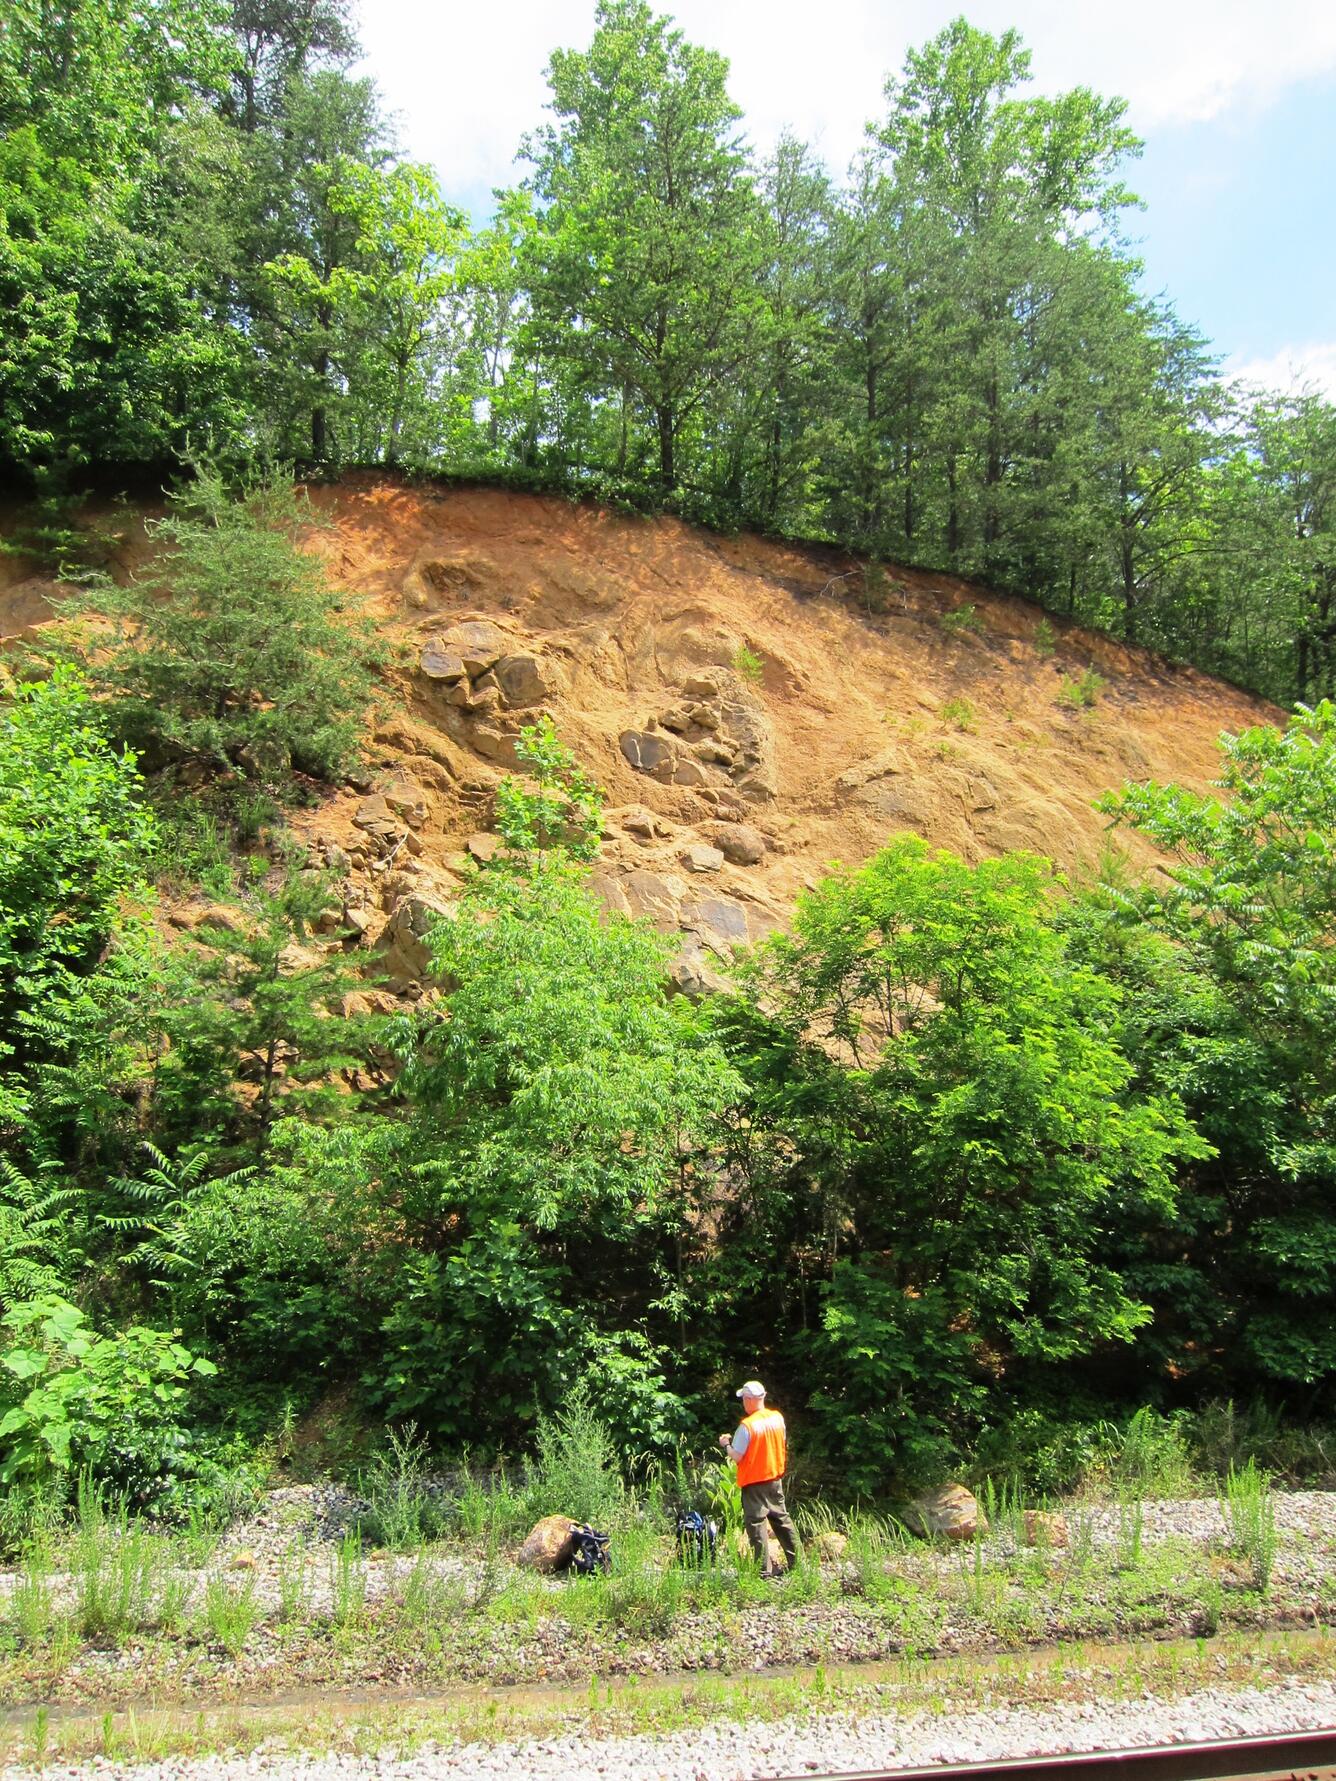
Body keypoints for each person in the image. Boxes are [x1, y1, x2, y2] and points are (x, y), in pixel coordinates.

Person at [718, 1379, 799, 1576]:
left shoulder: (747, 1426)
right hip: (774, 1478)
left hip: (754, 1482)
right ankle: (799, 1564)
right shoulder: (777, 1418)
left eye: (744, 1399)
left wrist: (725, 1444)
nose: (743, 1403)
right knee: (782, 1520)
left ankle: (764, 1572)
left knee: (756, 1525)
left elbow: (737, 1456)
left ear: (749, 1399)